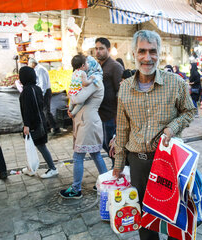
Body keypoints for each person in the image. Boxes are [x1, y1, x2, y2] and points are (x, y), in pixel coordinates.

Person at [112, 30, 196, 240]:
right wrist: (118, 166)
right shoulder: (124, 90)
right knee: (146, 222)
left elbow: (189, 111)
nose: (147, 58)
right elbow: (122, 129)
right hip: (139, 163)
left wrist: (172, 128)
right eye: (142, 51)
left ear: (160, 54)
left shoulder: (175, 83)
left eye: (152, 51)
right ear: (133, 53)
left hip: (169, 161)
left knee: (174, 216)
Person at [59, 56, 108, 199]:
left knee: (78, 156)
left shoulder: (94, 81)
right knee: (95, 154)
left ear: (92, 66)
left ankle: (76, 189)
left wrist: (70, 95)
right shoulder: (92, 80)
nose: (85, 65)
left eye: (87, 63)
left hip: (88, 123)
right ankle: (105, 183)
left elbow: (78, 98)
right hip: (86, 121)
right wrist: (72, 111)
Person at [18, 66, 59, 178]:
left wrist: (26, 125)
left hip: (35, 124)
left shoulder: (27, 91)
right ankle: (30, 168)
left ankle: (52, 168)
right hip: (40, 121)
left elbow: (28, 110)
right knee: (31, 145)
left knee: (40, 146)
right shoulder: (36, 88)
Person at [95, 38, 124, 168]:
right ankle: (117, 164)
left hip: (112, 114)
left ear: (109, 50)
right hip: (101, 113)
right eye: (96, 49)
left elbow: (121, 92)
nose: (98, 51)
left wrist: (118, 115)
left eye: (101, 48)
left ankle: (118, 166)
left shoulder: (115, 66)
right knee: (103, 143)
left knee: (110, 143)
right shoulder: (99, 66)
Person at [28, 58, 60, 135]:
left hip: (45, 92)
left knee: (46, 110)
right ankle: (47, 127)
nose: (29, 66)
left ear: (33, 63)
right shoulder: (37, 69)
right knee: (43, 110)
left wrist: (41, 94)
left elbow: (43, 84)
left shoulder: (40, 70)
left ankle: (55, 128)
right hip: (44, 91)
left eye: (29, 64)